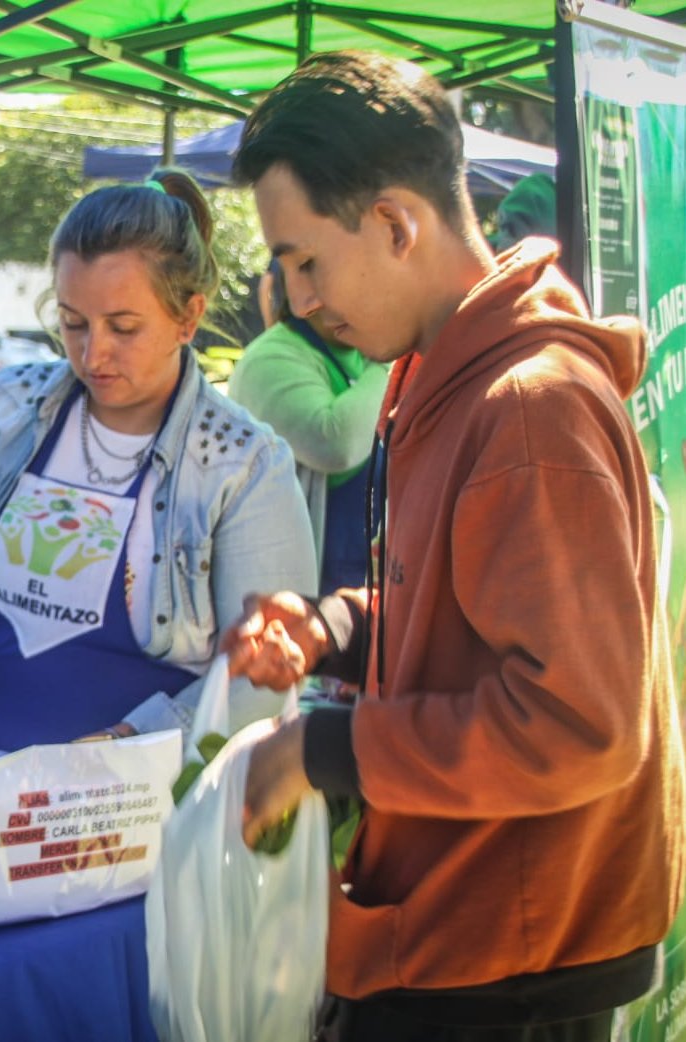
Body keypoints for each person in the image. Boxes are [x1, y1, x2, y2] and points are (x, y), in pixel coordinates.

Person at [219, 51, 685, 1041]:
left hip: (514, 957)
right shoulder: (441, 373)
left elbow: (576, 725)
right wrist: (333, 624)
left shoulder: (529, 409)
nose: (298, 299)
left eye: (307, 259)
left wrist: (322, 749)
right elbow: (465, 615)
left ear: (395, 222)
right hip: (461, 923)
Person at [0, 168, 317, 751]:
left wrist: (127, 744)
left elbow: (262, 677)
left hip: (127, 818)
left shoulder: (243, 468)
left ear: (188, 317)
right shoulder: (10, 407)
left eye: (123, 328)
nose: (92, 352)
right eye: (73, 323)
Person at [227, 261, 389, 593]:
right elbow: (334, 444)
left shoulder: (355, 353)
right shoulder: (270, 360)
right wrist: (385, 361)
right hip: (295, 592)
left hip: (359, 587)